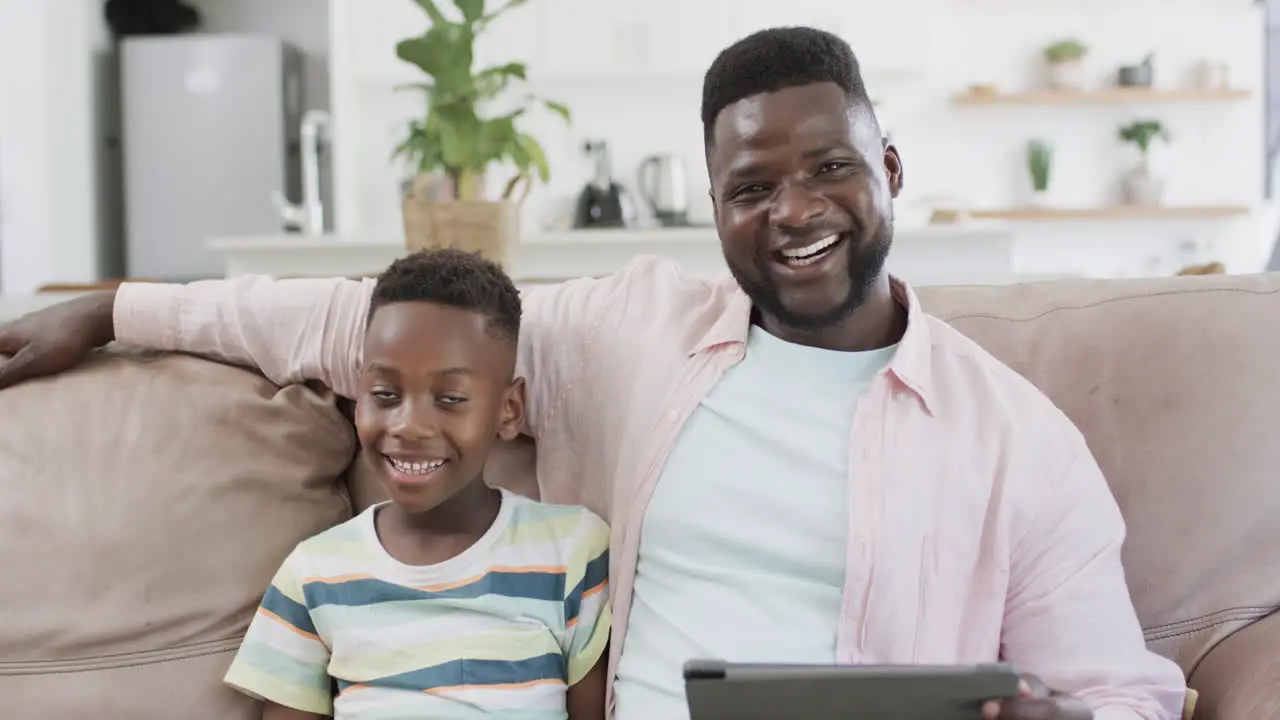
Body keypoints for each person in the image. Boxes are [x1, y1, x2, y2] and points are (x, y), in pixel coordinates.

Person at [0, 26, 1188, 720]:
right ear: (712, 204)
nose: (793, 215)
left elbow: (1121, 689)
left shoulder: (1013, 439)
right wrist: (109, 306)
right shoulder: (633, 334)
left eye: (827, 169)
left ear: (886, 164)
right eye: (749, 188)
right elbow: (347, 318)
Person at [221, 249, 611, 720]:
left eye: (449, 399)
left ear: (508, 410)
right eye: (385, 395)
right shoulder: (314, 574)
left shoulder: (571, 553)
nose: (408, 425)